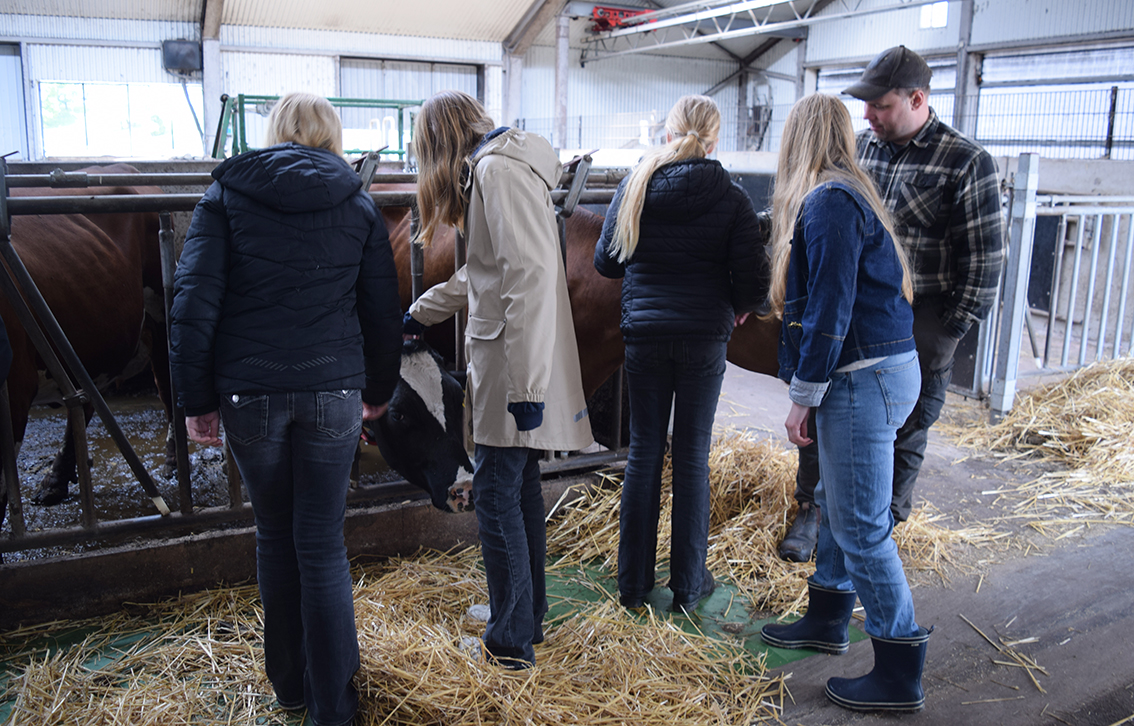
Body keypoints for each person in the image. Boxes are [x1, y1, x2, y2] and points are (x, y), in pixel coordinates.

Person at [170, 92, 403, 726]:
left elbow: (194, 303)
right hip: (333, 391)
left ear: (274, 131)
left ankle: (290, 686)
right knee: (322, 543)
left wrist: (196, 400)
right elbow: (381, 309)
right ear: (332, 136)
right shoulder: (357, 204)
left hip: (249, 393)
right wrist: (378, 389)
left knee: (275, 535)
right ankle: (335, 706)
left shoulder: (226, 197)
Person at [777, 45, 1005, 562]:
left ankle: (885, 525)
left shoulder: (966, 161)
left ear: (917, 99)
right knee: (827, 406)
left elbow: (987, 258)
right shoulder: (862, 151)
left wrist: (947, 329)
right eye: (865, 104)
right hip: (857, 309)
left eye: (879, 105)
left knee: (908, 424)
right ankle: (813, 510)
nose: (867, 115)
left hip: (923, 314)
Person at [402, 90, 593, 669]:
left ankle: (509, 643)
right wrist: (423, 311)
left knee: (493, 494)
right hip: (513, 361)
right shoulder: (501, 166)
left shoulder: (495, 172)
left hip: (513, 367)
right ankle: (523, 616)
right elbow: (488, 270)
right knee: (518, 489)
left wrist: (528, 389)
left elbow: (526, 278)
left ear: (438, 143)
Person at [759, 92, 931, 712]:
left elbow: (830, 309)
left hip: (863, 376)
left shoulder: (829, 201)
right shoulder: (847, 191)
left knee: (862, 528)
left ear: (797, 139)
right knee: (836, 501)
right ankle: (828, 618)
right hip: (878, 369)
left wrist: (802, 397)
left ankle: (898, 671)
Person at [594, 95, 768, 613]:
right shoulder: (732, 197)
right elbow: (755, 287)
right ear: (714, 140)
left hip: (645, 337)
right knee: (692, 455)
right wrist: (734, 304)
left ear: (668, 134)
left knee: (644, 451)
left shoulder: (636, 185)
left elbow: (607, 263)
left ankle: (632, 584)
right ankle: (689, 585)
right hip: (702, 340)